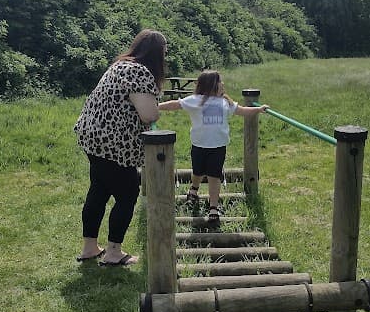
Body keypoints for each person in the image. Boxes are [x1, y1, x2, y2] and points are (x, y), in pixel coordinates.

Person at [74, 29, 166, 265]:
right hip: (114, 143)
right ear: (157, 54)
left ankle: (90, 247)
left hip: (92, 137)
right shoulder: (139, 72)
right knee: (127, 192)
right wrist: (156, 106)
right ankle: (114, 252)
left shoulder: (119, 65)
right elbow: (149, 114)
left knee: (99, 189)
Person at [158, 70, 268, 221]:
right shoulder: (195, 100)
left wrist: (258, 109)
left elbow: (242, 110)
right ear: (211, 85)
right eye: (219, 81)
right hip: (199, 145)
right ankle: (193, 190)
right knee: (198, 172)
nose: (222, 84)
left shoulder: (225, 102)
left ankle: (213, 208)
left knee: (214, 176)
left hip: (218, 147)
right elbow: (175, 104)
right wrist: (157, 106)